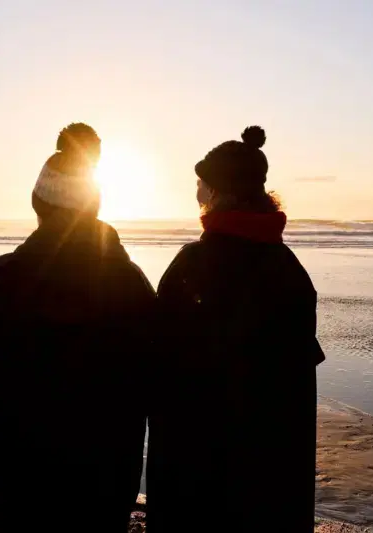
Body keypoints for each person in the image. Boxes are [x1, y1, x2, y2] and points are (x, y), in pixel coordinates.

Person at [0, 123, 155, 533]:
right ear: (94, 207)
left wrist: (16, 388)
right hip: (103, 489)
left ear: (38, 204)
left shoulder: (5, 277)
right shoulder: (130, 281)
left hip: (18, 488)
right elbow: (158, 382)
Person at [147, 126, 325, 533]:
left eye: (200, 185)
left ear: (216, 193)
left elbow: (161, 359)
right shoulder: (289, 269)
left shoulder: (195, 264)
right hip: (273, 468)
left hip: (200, 467)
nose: (196, 194)